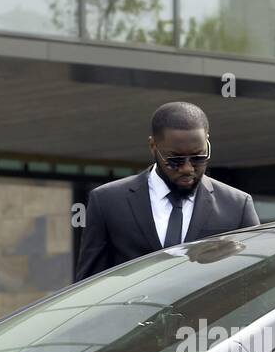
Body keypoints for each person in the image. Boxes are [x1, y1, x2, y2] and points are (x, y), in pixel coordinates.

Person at [74, 101, 259, 282]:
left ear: (207, 142)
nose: (187, 168)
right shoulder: (108, 201)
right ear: (153, 146)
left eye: (198, 157)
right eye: (175, 159)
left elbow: (258, 279)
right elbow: (88, 283)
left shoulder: (237, 205)